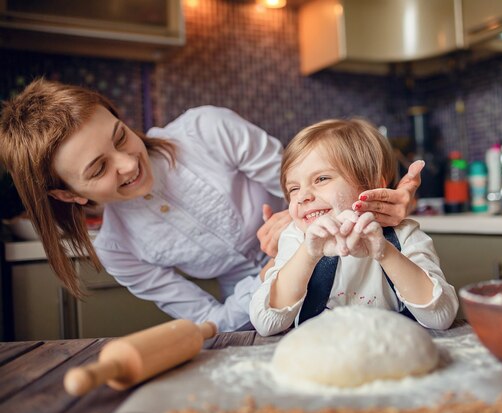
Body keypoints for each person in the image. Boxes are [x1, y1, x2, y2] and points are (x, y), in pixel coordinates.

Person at [0, 79, 423, 332]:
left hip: (353, 269)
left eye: (120, 136)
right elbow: (209, 319)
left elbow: (315, 177)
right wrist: (265, 279)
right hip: (258, 313)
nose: (129, 163)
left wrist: (374, 202)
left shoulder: (208, 129)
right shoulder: (118, 249)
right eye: (98, 169)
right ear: (69, 194)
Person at [250, 119, 458, 336]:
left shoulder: (404, 235)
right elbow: (266, 324)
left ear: (372, 184)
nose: (302, 196)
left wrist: (385, 252)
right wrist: (308, 254)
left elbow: (441, 316)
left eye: (321, 178)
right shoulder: (296, 238)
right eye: (293, 188)